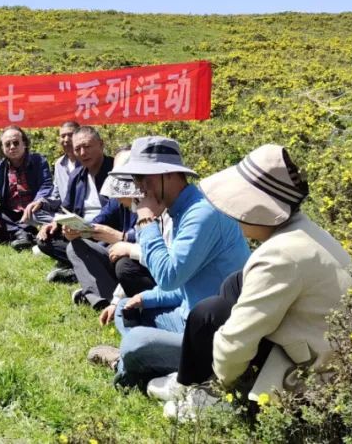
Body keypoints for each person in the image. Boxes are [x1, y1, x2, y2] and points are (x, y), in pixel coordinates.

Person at [157, 145, 352, 420]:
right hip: (336, 353)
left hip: (312, 377)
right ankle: (192, 382)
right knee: (234, 284)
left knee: (208, 314)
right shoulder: (304, 231)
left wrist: (225, 382)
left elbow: (237, 341)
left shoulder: (280, 255)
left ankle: (211, 395)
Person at [86, 136, 251, 390]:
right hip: (188, 315)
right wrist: (147, 298)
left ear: (171, 175)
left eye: (146, 179)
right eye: (137, 180)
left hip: (212, 334)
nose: (141, 189)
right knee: (124, 310)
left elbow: (169, 276)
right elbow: (185, 285)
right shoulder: (181, 209)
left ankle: (126, 365)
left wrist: (145, 222)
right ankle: (156, 364)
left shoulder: (201, 215)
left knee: (136, 342)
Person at [65, 148, 156, 311]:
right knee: (75, 246)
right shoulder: (118, 200)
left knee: (124, 264)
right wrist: (78, 229)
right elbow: (98, 221)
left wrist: (123, 238)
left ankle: (111, 297)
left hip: (140, 264)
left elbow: (153, 240)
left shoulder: (154, 201)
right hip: (117, 253)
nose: (120, 200)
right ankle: (104, 299)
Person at [28, 126, 114, 282]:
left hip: (106, 232)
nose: (82, 153)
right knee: (45, 241)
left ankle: (81, 269)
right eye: (77, 149)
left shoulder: (115, 171)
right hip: (80, 232)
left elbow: (116, 212)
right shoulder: (76, 175)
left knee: (101, 249)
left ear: (101, 144)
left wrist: (89, 229)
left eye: (87, 147)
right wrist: (54, 223)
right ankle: (85, 265)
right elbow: (66, 208)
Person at [0, 126, 54, 250]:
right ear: (2, 148)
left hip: (33, 210)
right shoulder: (0, 166)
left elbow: (46, 185)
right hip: (10, 213)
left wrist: (37, 202)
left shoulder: (39, 161)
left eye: (16, 143)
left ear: (24, 143)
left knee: (42, 214)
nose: (12, 147)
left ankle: (8, 233)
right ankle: (22, 233)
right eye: (7, 144)